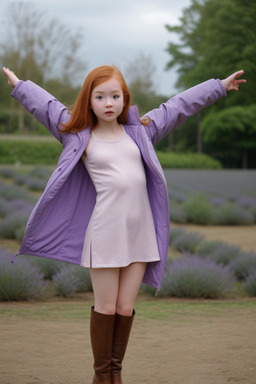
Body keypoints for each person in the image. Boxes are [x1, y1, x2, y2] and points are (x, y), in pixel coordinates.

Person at [2, 65, 246, 384]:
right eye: (100, 96)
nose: (108, 103)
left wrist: (218, 86)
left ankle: (115, 374)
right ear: (89, 101)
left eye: (114, 96)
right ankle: (102, 377)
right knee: (106, 306)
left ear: (124, 98)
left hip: (140, 233)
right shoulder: (78, 134)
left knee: (125, 307)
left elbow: (176, 107)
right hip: (105, 231)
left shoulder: (140, 130)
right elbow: (48, 108)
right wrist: (21, 86)